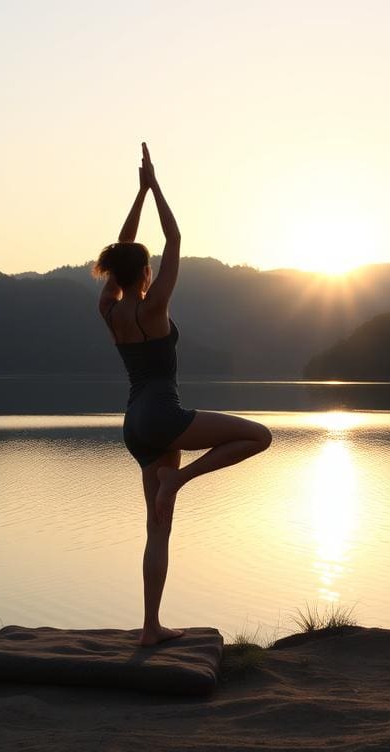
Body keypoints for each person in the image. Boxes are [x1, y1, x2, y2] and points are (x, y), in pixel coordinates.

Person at [93, 143, 272, 646]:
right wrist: (155, 188)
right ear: (145, 272)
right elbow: (173, 236)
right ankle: (182, 481)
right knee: (258, 436)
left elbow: (125, 245)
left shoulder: (109, 309)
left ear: (114, 273)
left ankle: (150, 628)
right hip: (162, 412)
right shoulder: (154, 308)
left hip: (133, 424)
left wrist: (138, 194)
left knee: (157, 531)